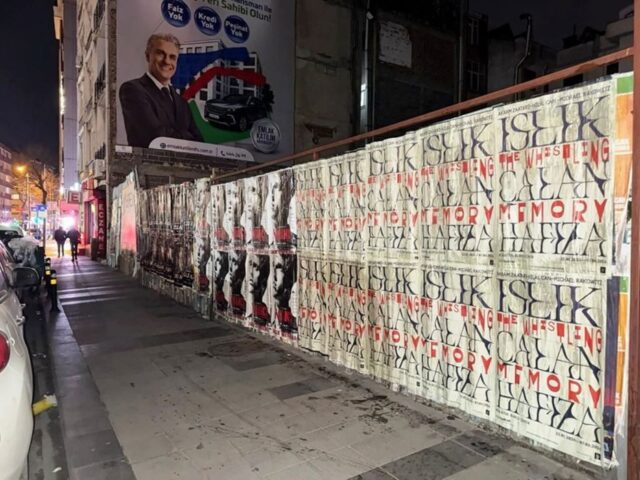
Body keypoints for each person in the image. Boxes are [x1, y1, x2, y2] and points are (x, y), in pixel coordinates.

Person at [119, 33, 203, 148]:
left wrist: (170, 134)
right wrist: (187, 136)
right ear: (147, 56)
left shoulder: (182, 102)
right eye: (160, 54)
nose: (167, 61)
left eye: (172, 57)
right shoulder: (132, 89)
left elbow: (200, 142)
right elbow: (154, 137)